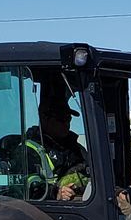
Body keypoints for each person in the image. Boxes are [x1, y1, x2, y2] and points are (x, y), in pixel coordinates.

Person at [15, 71, 91, 201]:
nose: (66, 124)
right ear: (44, 118)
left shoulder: (75, 148)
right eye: (61, 119)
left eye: (68, 119)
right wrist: (56, 193)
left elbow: (92, 173)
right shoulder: (27, 151)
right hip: (49, 210)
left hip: (82, 202)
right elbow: (27, 187)